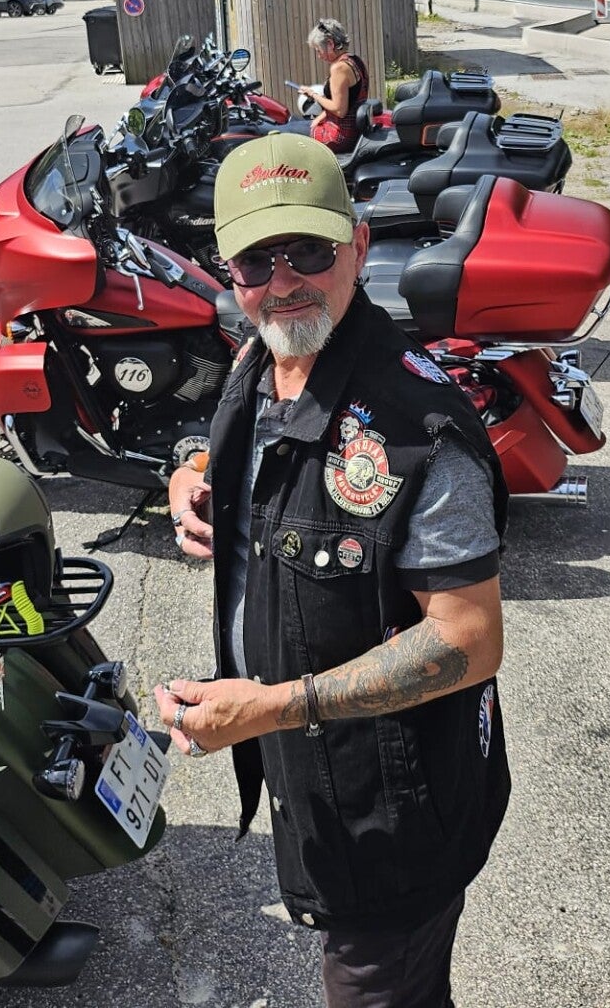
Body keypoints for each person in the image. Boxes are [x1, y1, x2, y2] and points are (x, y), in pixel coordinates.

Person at [158, 132, 510, 1008]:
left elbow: (469, 640)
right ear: (228, 270)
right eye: (256, 261)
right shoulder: (265, 353)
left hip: (391, 820)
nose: (283, 281)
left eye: (308, 251)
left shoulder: (420, 430)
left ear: (358, 244)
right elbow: (244, 446)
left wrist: (269, 708)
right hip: (319, 782)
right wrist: (193, 475)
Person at [299, 18, 369, 152]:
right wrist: (320, 117)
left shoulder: (339, 68)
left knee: (283, 131)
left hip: (338, 136)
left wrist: (313, 94)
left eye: (318, 50)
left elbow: (339, 110)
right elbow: (349, 101)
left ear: (330, 44)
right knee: (296, 123)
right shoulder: (355, 60)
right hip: (353, 132)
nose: (319, 56)